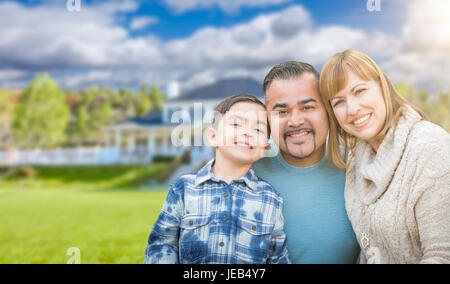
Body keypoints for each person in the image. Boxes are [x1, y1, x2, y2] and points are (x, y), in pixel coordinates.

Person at [319, 49, 450, 264]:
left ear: (383, 87)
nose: (352, 109)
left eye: (359, 91)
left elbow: (443, 257)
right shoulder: (356, 158)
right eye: (338, 102)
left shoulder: (430, 147)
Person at [144, 94, 290, 264]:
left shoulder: (270, 199)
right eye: (236, 124)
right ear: (213, 137)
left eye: (258, 129)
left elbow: (278, 257)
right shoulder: (183, 188)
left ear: (264, 148)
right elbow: (162, 243)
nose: (247, 132)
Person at [253, 61, 360, 264]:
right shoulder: (248, 174)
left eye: (308, 107)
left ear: (328, 111)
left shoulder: (357, 165)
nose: (295, 121)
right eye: (282, 112)